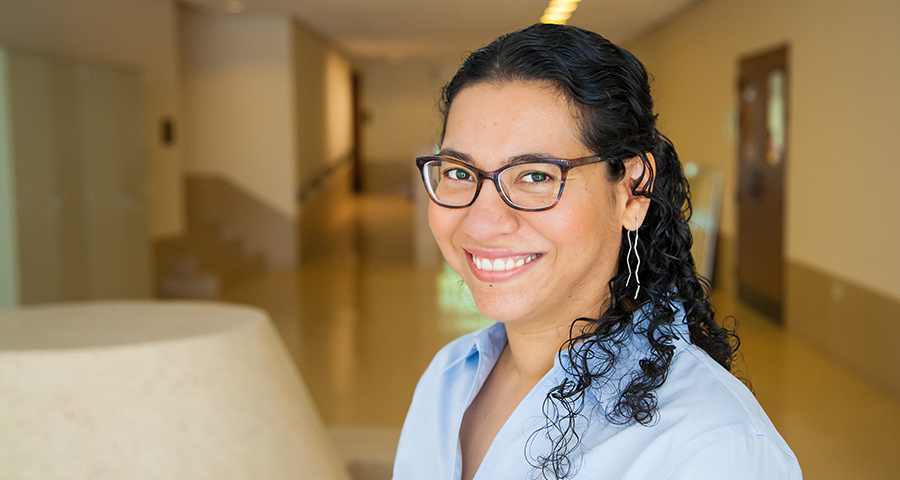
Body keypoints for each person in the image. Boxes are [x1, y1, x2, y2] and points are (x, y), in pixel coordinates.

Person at [393, 23, 801, 480]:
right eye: (460, 173)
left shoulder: (712, 449)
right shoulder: (447, 379)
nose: (482, 222)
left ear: (632, 190)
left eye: (536, 175)